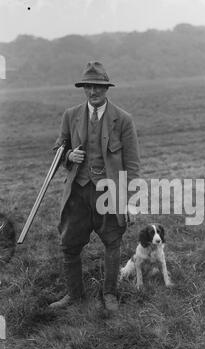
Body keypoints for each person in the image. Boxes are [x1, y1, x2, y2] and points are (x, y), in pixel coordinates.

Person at [50, 61, 140, 313]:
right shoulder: (70, 115)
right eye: (88, 87)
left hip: (109, 193)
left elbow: (132, 164)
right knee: (69, 244)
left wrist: (132, 201)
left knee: (112, 242)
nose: (93, 92)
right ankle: (74, 295)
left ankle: (110, 293)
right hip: (77, 192)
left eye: (98, 87)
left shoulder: (123, 119)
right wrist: (68, 156)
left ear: (106, 88)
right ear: (84, 88)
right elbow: (57, 149)